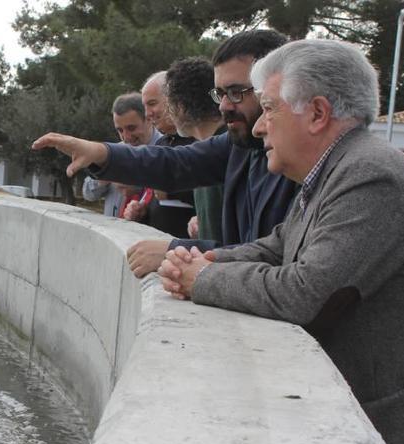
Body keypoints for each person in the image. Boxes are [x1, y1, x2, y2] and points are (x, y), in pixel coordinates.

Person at [157, 39, 404, 444]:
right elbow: (277, 247)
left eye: (269, 108)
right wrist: (205, 259)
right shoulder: (334, 171)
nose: (261, 126)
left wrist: (203, 278)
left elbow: (306, 291)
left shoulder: (371, 175)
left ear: (318, 113)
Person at [32, 30, 297, 279]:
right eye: (220, 94)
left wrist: (177, 249)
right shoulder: (241, 146)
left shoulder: (306, 165)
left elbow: (278, 261)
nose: (225, 106)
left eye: (237, 92)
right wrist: (101, 153)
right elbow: (175, 163)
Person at [125, 71, 197, 238]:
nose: (148, 113)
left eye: (152, 104)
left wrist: (172, 190)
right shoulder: (161, 144)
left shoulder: (200, 140)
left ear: (174, 99)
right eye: (145, 107)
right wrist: (142, 211)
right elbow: (156, 197)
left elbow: (212, 192)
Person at [163, 57, 225, 244]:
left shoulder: (226, 155)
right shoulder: (209, 152)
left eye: (168, 106)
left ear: (179, 108)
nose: (168, 114)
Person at [82, 92, 160, 217]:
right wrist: (106, 175)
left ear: (148, 119)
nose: (126, 137)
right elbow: (88, 194)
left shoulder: (169, 149)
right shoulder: (114, 152)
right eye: (120, 130)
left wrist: (139, 186)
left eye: (131, 128)